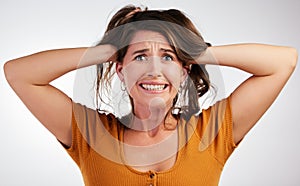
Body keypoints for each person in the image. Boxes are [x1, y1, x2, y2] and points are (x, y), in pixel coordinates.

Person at [4, 5, 297, 186]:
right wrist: (105, 50)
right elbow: (19, 73)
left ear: (184, 71)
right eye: (141, 57)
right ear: (121, 70)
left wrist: (197, 51)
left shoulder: (213, 132)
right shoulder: (90, 134)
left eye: (168, 57)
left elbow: (283, 62)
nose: (155, 70)